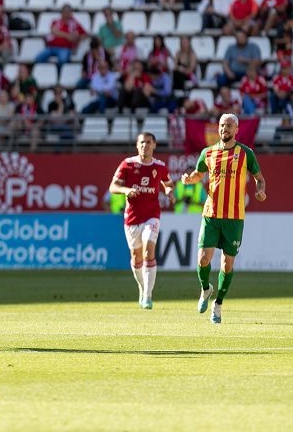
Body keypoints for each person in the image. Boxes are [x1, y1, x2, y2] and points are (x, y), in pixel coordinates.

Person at [180, 114, 267, 324]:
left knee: (227, 265)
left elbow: (259, 179)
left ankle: (218, 304)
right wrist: (188, 179)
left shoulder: (246, 154)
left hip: (234, 218)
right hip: (211, 214)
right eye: (221, 125)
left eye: (228, 125)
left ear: (236, 129)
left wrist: (261, 191)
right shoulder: (207, 153)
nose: (224, 129)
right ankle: (205, 289)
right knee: (203, 259)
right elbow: (198, 175)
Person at [108, 133, 175, 309]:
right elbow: (112, 186)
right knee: (136, 258)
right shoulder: (128, 164)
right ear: (137, 146)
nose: (145, 145)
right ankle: (142, 286)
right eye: (142, 143)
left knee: (148, 250)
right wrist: (125, 190)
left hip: (151, 215)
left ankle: (148, 295)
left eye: (148, 142)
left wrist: (169, 191)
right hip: (132, 218)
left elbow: (168, 183)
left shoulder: (159, 166)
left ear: (154, 145)